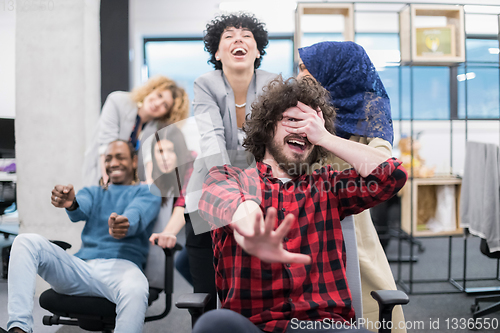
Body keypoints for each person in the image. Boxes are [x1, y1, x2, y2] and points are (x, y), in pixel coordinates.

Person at [193, 76, 408, 333]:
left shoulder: (328, 186)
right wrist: (251, 228)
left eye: (311, 124)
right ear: (267, 126)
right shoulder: (231, 177)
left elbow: (392, 176)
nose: (302, 130)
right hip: (254, 326)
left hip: (324, 326)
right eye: (292, 120)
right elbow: (222, 200)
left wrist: (326, 137)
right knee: (214, 324)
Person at [297, 41, 405, 332]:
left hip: (352, 230)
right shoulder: (298, 109)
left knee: (371, 308)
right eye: (299, 67)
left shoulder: (368, 107)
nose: (300, 76)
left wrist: (324, 137)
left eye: (310, 69)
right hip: (302, 229)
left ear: (336, 72)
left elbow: (384, 167)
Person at [4, 140, 162, 333]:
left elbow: (137, 213)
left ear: (134, 160)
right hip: (81, 267)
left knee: (136, 289)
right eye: (109, 158)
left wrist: (124, 223)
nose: (113, 163)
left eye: (120, 157)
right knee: (25, 241)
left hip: (122, 268)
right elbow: (81, 206)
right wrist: (72, 203)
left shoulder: (147, 192)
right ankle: (19, 328)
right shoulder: (93, 192)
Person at [183, 12, 276, 311]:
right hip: (207, 192)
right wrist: (228, 191)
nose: (239, 39)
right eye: (229, 36)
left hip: (260, 195)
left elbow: (272, 143)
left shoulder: (273, 83)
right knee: (207, 294)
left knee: (257, 290)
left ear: (257, 50)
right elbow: (210, 138)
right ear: (216, 52)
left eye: (247, 35)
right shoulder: (204, 83)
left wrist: (247, 196)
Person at [82, 75, 189, 186]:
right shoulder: (117, 101)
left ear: (168, 114)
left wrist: (149, 180)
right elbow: (106, 145)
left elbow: (148, 157)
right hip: (101, 173)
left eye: (165, 105)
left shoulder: (155, 127)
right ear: (151, 90)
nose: (157, 103)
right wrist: (106, 180)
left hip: (127, 184)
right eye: (159, 95)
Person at [146, 125, 194, 287]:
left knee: (184, 264)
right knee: (183, 264)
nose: (164, 157)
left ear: (179, 151)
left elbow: (185, 201)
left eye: (170, 150)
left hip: (219, 229)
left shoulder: (194, 162)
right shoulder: (165, 172)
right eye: (160, 151)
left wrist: (167, 233)